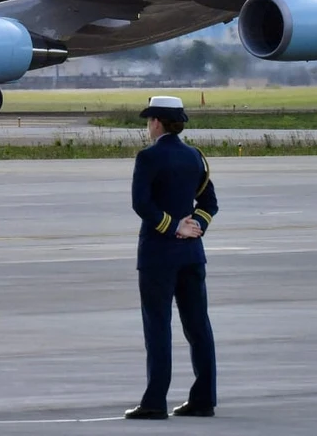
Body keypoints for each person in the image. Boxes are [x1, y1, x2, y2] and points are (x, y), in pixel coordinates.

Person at [123, 95, 218, 420]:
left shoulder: (148, 158)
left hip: (158, 256)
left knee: (158, 327)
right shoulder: (195, 157)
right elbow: (209, 203)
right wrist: (195, 227)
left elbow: (141, 204)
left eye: (149, 120)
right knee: (198, 327)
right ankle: (204, 398)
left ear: (157, 122)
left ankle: (154, 402)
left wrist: (172, 225)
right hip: (192, 254)